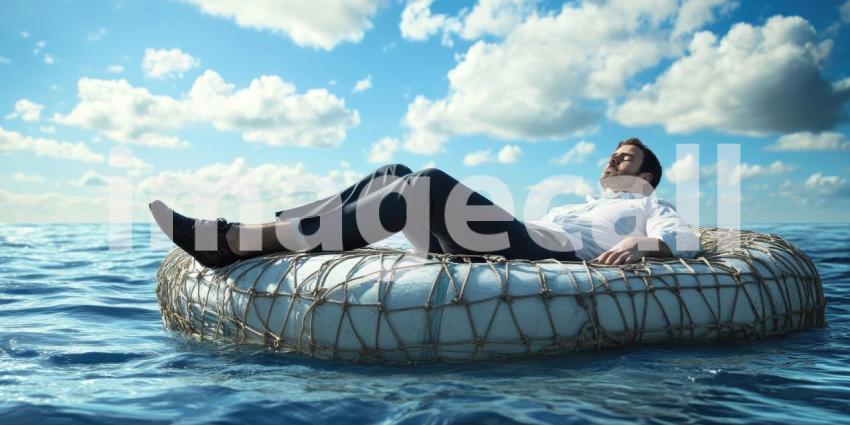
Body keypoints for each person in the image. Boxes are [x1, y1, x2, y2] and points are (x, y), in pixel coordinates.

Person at [150, 138, 700, 268]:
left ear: (646, 175)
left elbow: (689, 239)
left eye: (624, 159)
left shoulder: (652, 206)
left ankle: (238, 243)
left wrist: (644, 241)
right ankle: (275, 226)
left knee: (427, 181)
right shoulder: (581, 201)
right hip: (511, 237)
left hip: (545, 254)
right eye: (611, 155)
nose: (612, 161)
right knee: (395, 172)